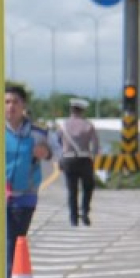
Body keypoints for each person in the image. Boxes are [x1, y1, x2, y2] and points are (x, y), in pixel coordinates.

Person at [5, 84, 53, 278]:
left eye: (15, 102)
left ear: (23, 105)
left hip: (24, 199)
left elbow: (58, 152)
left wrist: (46, 152)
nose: (11, 106)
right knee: (3, 247)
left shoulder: (37, 133)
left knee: (12, 244)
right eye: (7, 102)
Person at [57, 97, 99, 226]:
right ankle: (85, 212)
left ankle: (73, 218)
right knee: (88, 187)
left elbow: (58, 142)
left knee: (72, 190)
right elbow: (95, 145)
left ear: (71, 110)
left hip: (68, 159)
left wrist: (61, 157)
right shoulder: (88, 125)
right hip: (85, 159)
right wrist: (93, 157)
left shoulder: (63, 125)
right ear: (82, 110)